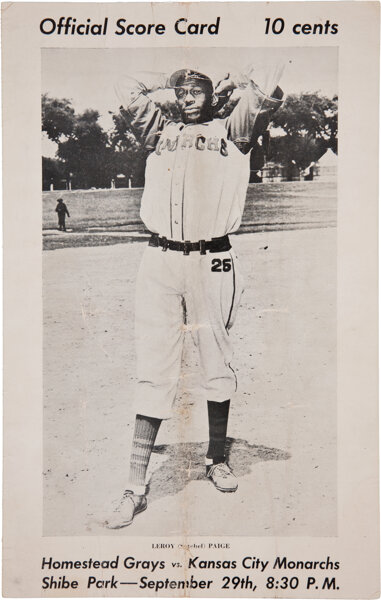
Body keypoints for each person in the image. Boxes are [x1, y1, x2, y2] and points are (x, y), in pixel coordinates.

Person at [105, 66, 284, 529]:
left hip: (213, 258)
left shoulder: (234, 131)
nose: (187, 98)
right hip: (160, 258)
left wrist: (232, 85)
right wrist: (165, 92)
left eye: (196, 91)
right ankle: (135, 486)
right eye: (180, 92)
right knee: (154, 365)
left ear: (212, 95)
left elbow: (269, 83)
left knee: (215, 360)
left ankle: (217, 458)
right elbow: (122, 85)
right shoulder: (158, 132)